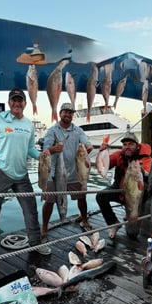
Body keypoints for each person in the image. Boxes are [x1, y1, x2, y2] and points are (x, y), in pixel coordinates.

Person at [0, 87, 51, 255]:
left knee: (31, 210)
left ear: (25, 103)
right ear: (9, 102)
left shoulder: (28, 124)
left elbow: (30, 149)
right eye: (14, 100)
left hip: (22, 175)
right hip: (0, 173)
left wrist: (42, 156)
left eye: (20, 100)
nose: (17, 103)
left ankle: (35, 244)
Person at [41, 102, 93, 241]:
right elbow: (46, 149)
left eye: (70, 112)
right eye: (65, 112)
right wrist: (54, 149)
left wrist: (88, 147)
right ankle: (44, 228)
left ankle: (84, 220)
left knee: (82, 198)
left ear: (72, 115)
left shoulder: (78, 131)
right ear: (60, 113)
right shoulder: (52, 130)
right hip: (54, 175)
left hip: (75, 172)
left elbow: (86, 143)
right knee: (50, 201)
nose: (67, 115)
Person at [96, 131, 152, 239]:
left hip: (136, 197)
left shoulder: (146, 159)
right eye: (125, 144)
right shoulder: (119, 155)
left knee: (132, 234)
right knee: (100, 195)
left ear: (137, 146)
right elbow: (103, 166)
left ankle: (133, 215)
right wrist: (102, 152)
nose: (127, 147)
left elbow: (151, 174)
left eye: (131, 144)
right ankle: (114, 223)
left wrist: (142, 171)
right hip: (121, 192)